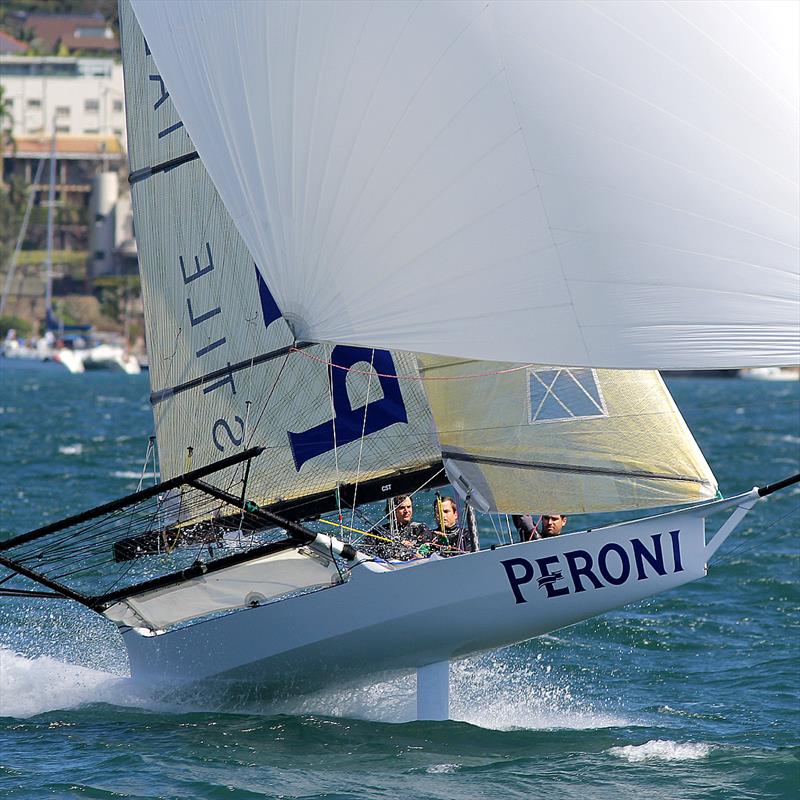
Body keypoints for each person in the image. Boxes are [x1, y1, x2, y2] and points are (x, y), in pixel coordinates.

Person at [368, 494, 430, 560]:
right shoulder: (378, 532)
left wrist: (412, 547)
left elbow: (426, 545)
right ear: (392, 510)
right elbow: (363, 552)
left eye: (409, 507)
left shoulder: (420, 528)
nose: (406, 511)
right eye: (402, 508)